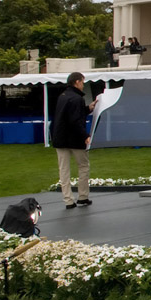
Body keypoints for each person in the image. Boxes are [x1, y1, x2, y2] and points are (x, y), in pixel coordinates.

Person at [52, 71, 95, 209]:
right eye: (82, 82)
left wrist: (88, 109)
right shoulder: (77, 98)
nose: (83, 85)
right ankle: (82, 196)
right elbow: (75, 120)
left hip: (60, 137)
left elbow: (69, 115)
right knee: (83, 166)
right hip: (75, 138)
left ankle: (68, 200)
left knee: (64, 169)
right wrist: (85, 135)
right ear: (77, 82)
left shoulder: (63, 96)